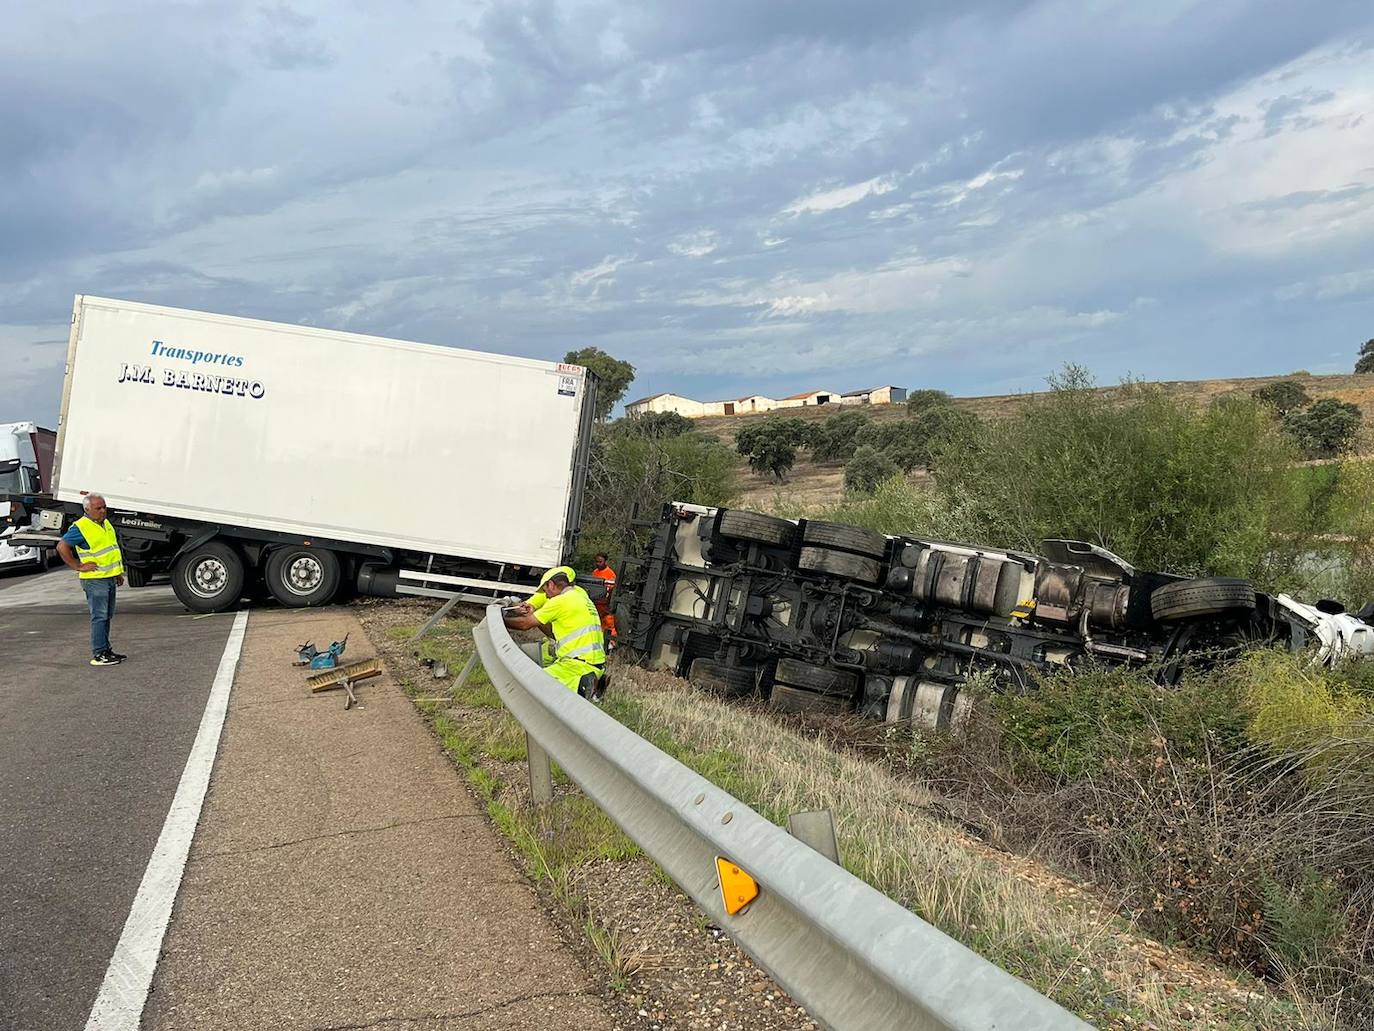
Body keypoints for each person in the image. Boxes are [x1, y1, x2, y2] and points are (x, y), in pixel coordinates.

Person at [504, 566, 606, 698]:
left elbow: (525, 624)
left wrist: (502, 620)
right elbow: (552, 633)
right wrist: (534, 613)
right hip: (593, 663)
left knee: (531, 683)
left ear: (551, 584)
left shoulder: (560, 601)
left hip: (577, 664)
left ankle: (583, 685)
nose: (546, 595)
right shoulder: (580, 596)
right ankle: (593, 685)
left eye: (545, 590)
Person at [56, 494, 127, 667]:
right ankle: (99, 653)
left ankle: (105, 650)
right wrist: (77, 566)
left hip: (107, 577)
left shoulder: (104, 523)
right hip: (95, 580)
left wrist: (116, 573)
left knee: (106, 616)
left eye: (104, 507)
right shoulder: (81, 527)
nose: (103, 511)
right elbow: (62, 546)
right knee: (99, 617)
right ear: (87, 510)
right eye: (98, 508)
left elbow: (110, 550)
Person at [590, 552, 617, 645]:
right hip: (595, 604)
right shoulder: (595, 572)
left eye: (600, 562)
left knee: (609, 624)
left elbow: (612, 591)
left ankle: (611, 644)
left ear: (605, 561)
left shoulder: (610, 574)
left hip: (605, 605)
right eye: (597, 562)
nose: (598, 564)